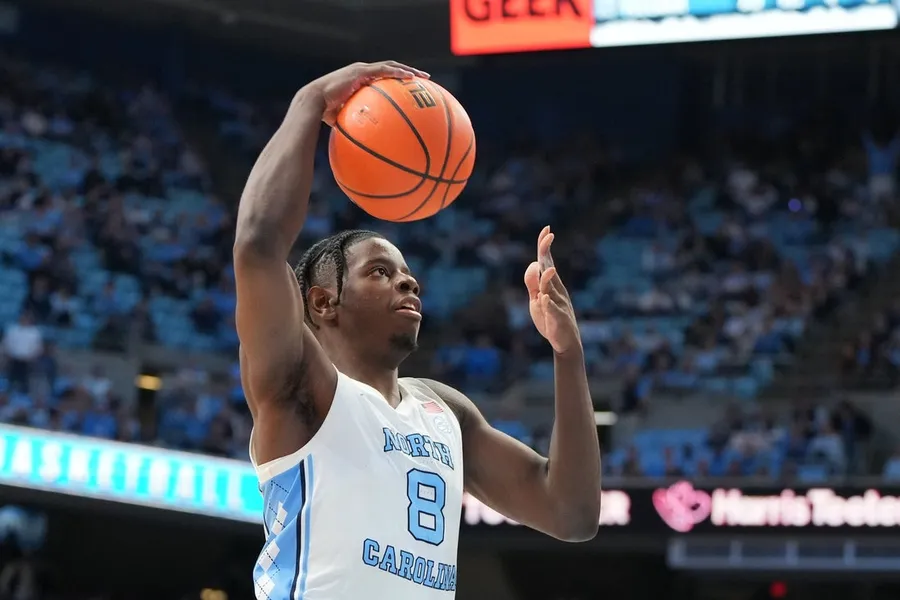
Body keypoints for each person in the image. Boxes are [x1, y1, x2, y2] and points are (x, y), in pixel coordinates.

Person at [234, 61, 602, 600]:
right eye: (380, 272)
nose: (408, 283)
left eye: (408, 274)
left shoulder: (444, 411)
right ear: (323, 302)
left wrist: (568, 355)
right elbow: (258, 244)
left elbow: (571, 514)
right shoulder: (303, 391)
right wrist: (311, 100)